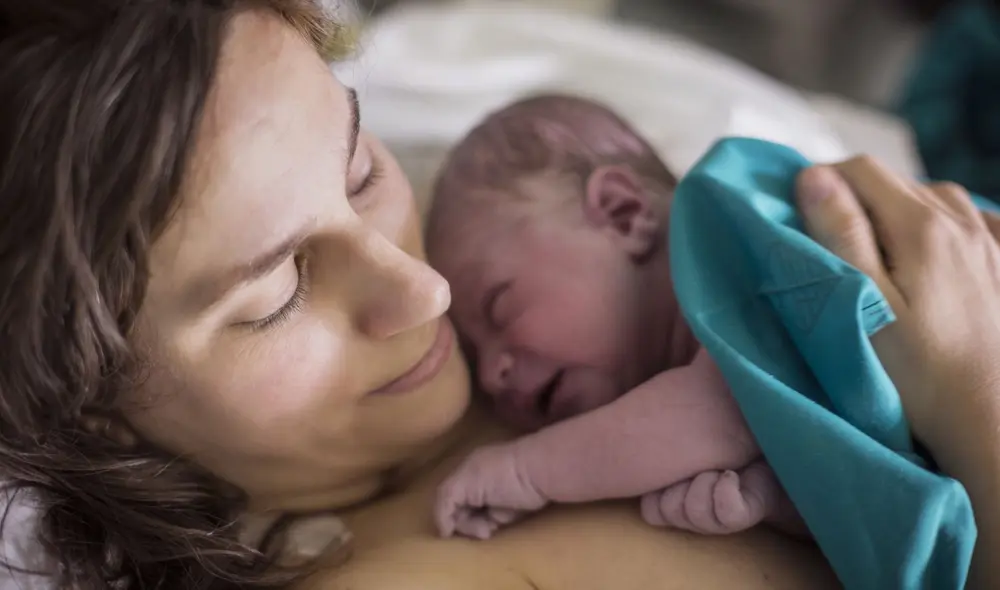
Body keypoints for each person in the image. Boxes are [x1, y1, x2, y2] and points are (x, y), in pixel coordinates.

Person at [0, 2, 995, 590]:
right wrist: (979, 402)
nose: (425, 286)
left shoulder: (507, 227)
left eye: (358, 172)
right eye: (277, 291)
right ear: (83, 396)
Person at [424, 94, 798, 540]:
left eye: (499, 308)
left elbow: (724, 412)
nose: (490, 375)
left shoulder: (737, 251)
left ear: (623, 215)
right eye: (472, 354)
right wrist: (775, 498)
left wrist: (526, 470)